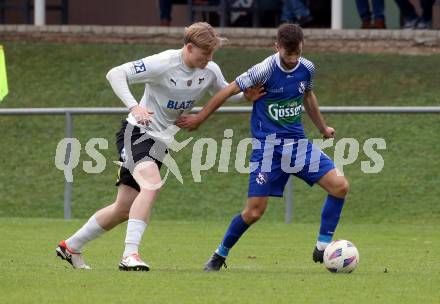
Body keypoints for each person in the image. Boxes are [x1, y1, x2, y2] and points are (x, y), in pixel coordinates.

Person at [55, 22, 262, 271]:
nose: (209, 58)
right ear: (188, 47)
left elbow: (225, 91)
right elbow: (115, 73)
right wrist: (135, 106)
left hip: (161, 142)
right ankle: (129, 255)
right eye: (204, 53)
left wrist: (245, 97)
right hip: (137, 133)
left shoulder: (210, 69)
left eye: (212, 53)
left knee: (123, 209)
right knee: (151, 185)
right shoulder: (163, 63)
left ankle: (71, 246)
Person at [177, 23, 349, 272]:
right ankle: (219, 255)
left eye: (297, 54)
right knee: (254, 212)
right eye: (287, 54)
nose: (292, 59)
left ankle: (323, 246)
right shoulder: (264, 69)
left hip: (297, 145)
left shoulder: (307, 68)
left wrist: (322, 128)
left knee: (340, 186)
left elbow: (308, 96)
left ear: (302, 47)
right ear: (276, 47)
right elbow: (228, 90)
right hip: (267, 150)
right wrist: (199, 118)